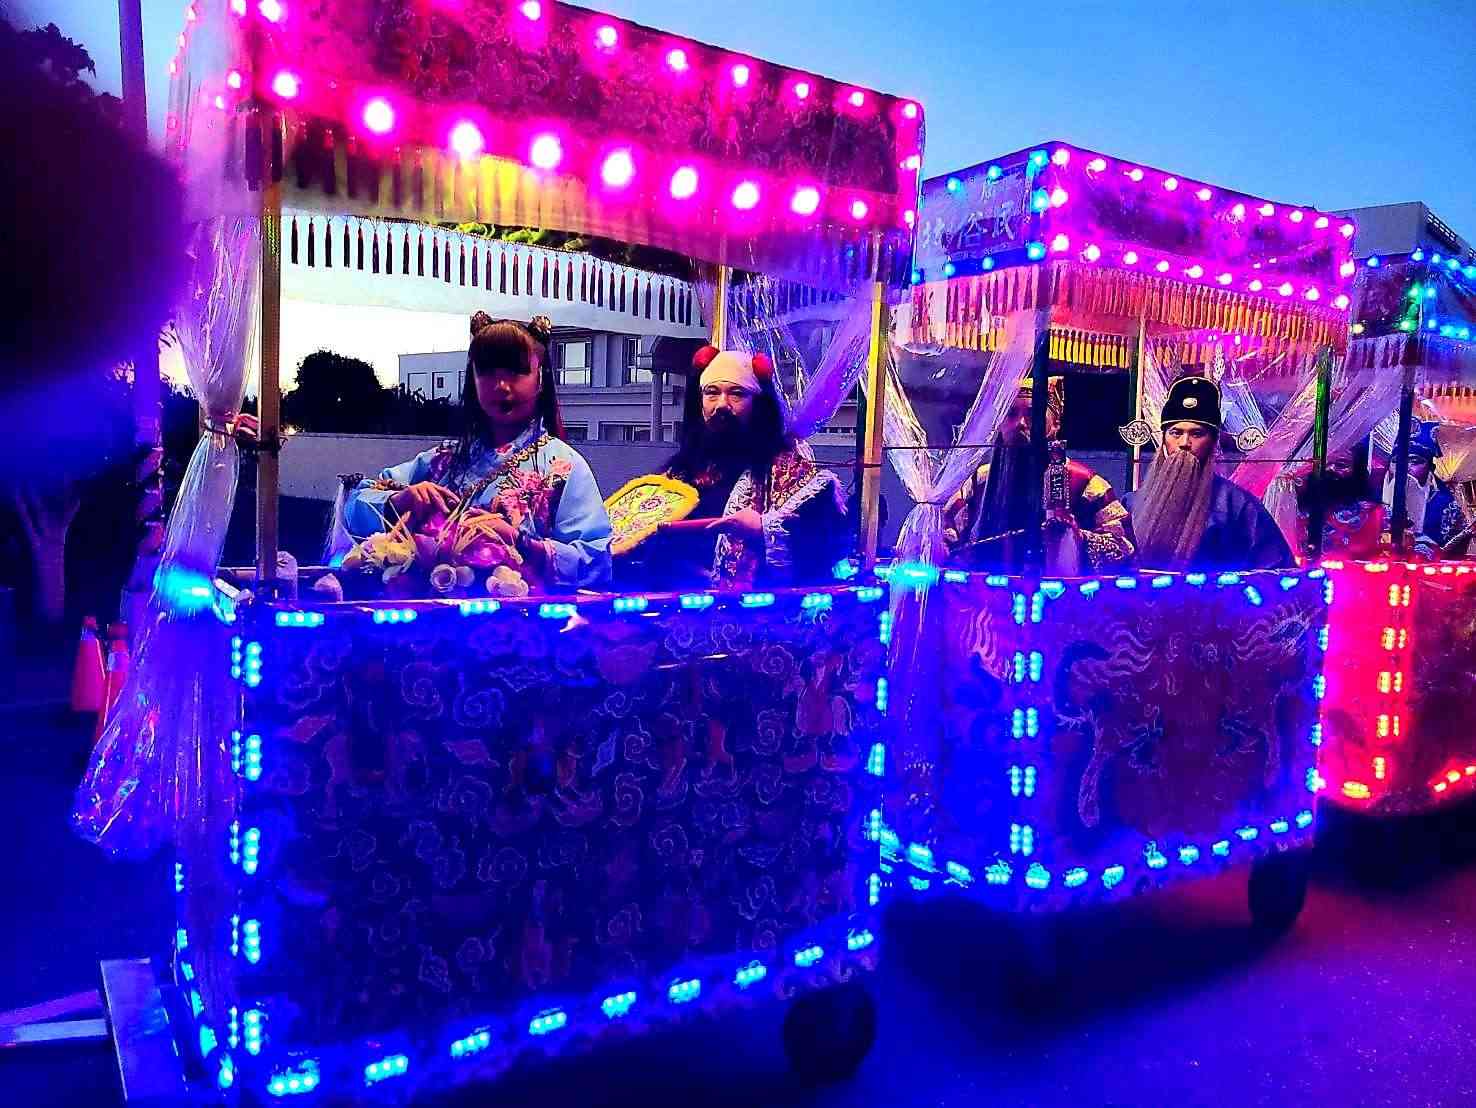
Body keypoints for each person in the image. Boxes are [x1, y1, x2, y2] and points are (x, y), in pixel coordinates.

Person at [342, 313, 611, 589]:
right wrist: (400, 501)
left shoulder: (563, 467)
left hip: (521, 615)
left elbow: (598, 562)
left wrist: (520, 541)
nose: (501, 386)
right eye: (486, 372)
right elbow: (354, 507)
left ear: (540, 378)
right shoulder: (441, 461)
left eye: (516, 372)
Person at [615, 346, 847, 588]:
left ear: (758, 405)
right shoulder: (678, 474)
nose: (722, 405)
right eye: (711, 393)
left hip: (756, 608)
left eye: (736, 394)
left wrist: (762, 528)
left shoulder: (793, 475)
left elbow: (826, 549)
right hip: (679, 604)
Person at [943, 377, 1134, 572]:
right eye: (1011, 414)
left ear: (1055, 423)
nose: (1020, 423)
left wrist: (1078, 537)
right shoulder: (979, 481)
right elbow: (947, 534)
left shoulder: (1087, 484)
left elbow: (1125, 549)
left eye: (1032, 414)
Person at [1126, 375, 1294, 571]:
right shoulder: (1132, 504)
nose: (1184, 443)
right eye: (1176, 433)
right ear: (1163, 439)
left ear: (1213, 442)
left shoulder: (1239, 507)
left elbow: (1276, 572)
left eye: (1197, 434)